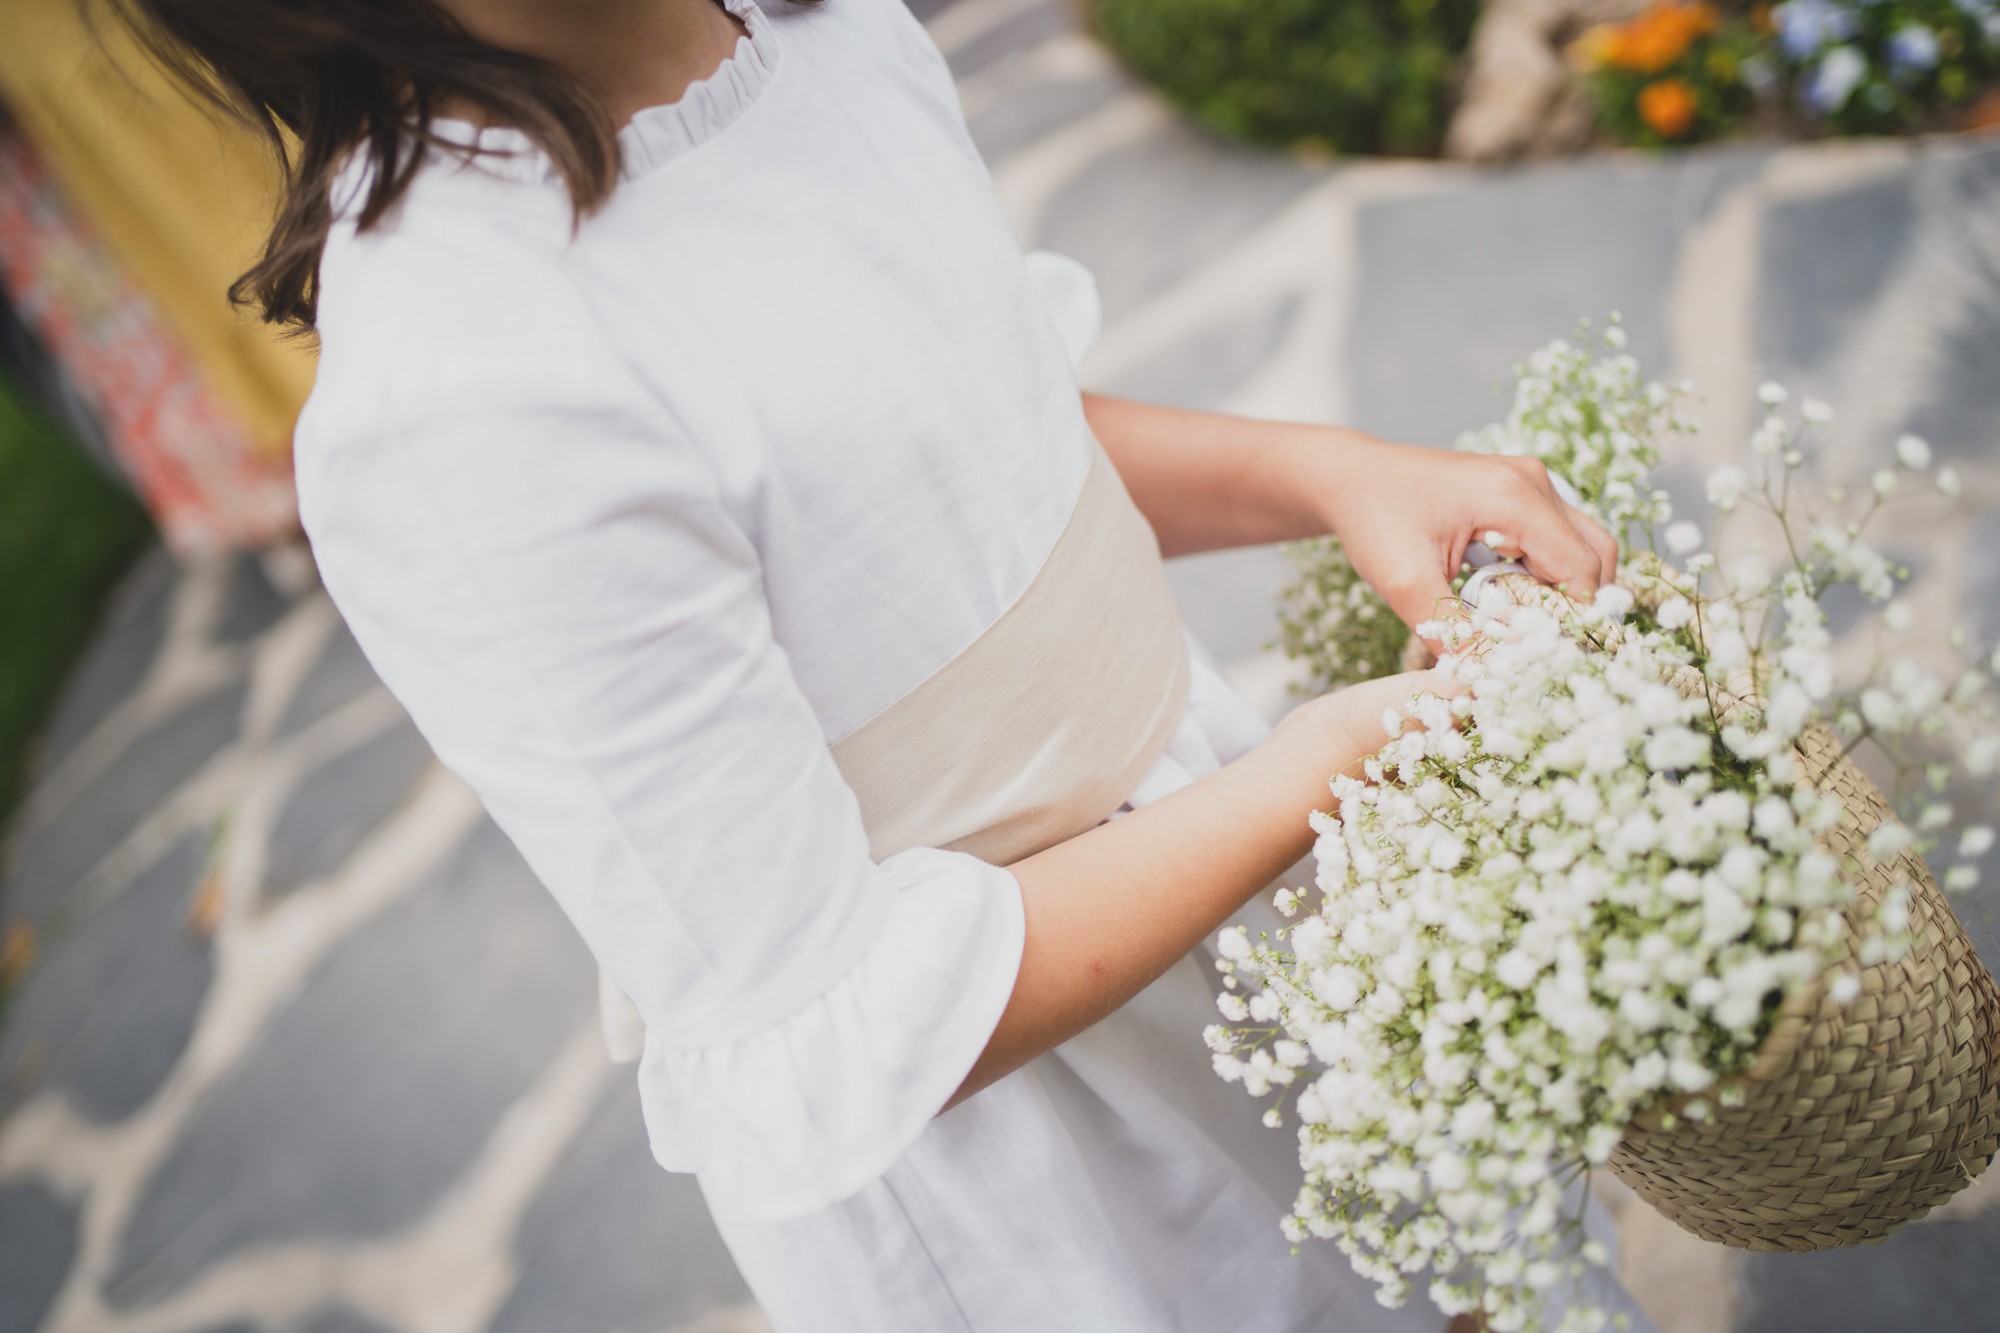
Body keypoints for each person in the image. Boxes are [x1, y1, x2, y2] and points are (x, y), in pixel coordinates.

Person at [114, 0, 1641, 1328]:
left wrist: (1332, 473)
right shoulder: (470, 385)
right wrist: (1323, 768)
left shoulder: (814, 32)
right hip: (1042, 1142)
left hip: (1216, 880)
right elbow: (824, 1010)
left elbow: (987, 443)